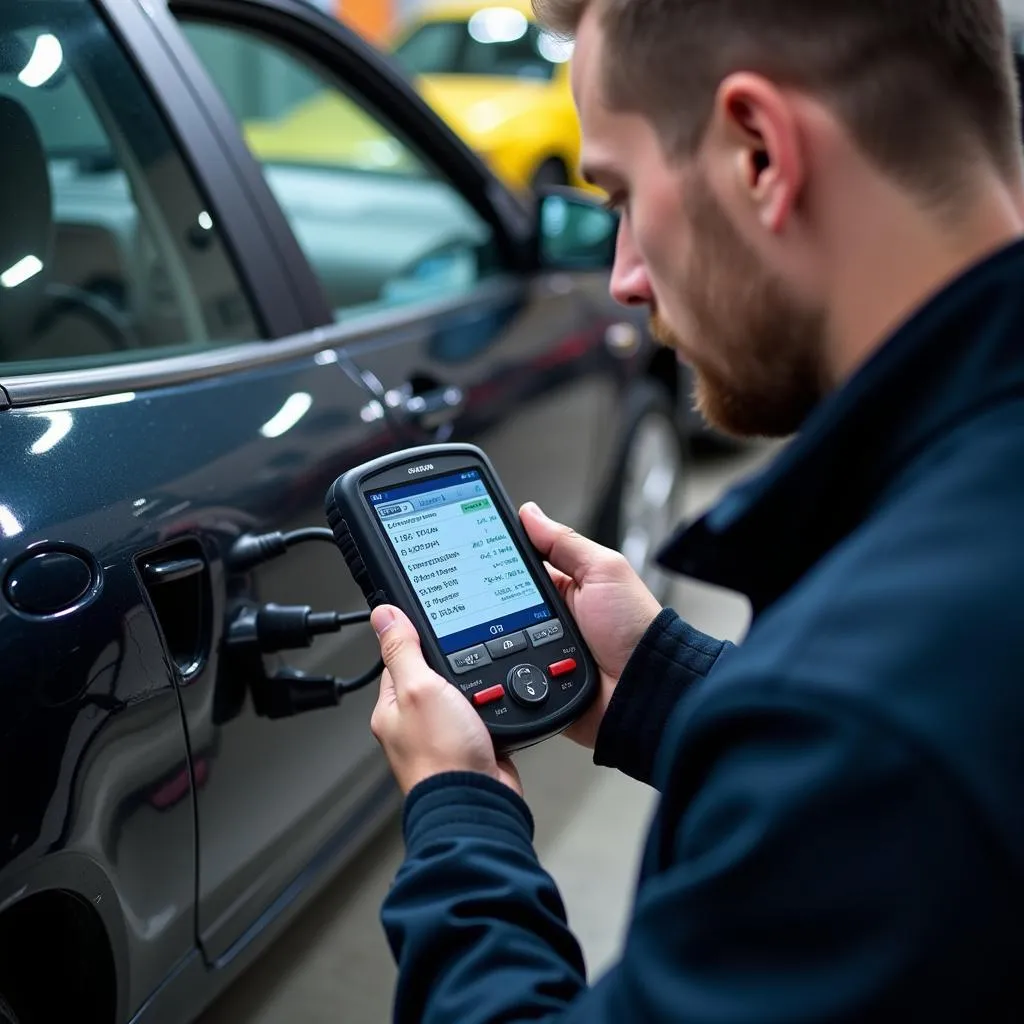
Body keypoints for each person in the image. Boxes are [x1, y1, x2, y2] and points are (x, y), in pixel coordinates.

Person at [367, 0, 1024, 1019]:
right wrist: (659, 679)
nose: (624, 276)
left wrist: (461, 816)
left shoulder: (865, 709)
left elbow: (871, 746)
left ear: (757, 152)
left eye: (623, 193)